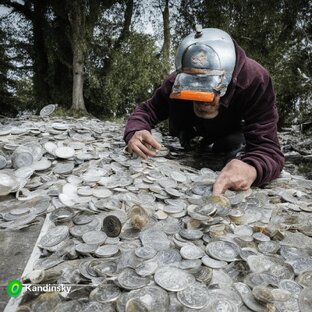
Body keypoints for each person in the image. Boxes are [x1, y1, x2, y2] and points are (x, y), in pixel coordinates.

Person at [124, 27, 285, 194]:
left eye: (212, 89)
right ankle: (188, 135)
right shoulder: (175, 82)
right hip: (189, 125)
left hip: (230, 128)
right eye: (194, 89)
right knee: (184, 139)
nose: (202, 101)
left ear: (229, 81)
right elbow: (147, 110)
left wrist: (253, 168)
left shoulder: (255, 81)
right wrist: (136, 130)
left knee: (232, 143)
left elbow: (269, 148)